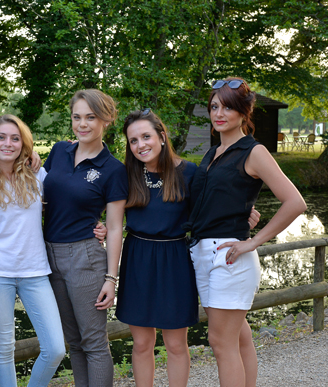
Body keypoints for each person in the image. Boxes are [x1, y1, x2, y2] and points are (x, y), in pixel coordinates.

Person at [185, 77, 307, 387]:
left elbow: (295, 202)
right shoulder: (212, 154)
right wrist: (241, 215)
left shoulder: (254, 152)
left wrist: (253, 241)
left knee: (220, 341)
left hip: (229, 258)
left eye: (228, 107)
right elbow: (211, 201)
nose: (219, 113)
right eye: (214, 107)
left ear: (244, 111)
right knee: (239, 338)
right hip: (203, 253)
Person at [0, 114, 65, 387]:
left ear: (24, 143)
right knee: (4, 349)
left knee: (55, 348)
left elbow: (68, 200)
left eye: (15, 138)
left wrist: (97, 223)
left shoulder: (36, 174)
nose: (8, 144)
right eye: (1, 137)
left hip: (35, 270)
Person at [43, 89, 128, 386]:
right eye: (77, 117)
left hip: (86, 258)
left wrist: (110, 278)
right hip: (49, 256)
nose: (82, 124)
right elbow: (34, 194)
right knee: (74, 342)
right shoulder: (58, 152)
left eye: (91, 117)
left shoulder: (114, 169)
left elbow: (115, 227)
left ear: (106, 119)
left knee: (93, 343)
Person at [115, 109, 199, 387]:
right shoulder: (126, 174)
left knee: (176, 344)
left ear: (162, 136)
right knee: (141, 343)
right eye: (133, 140)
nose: (140, 145)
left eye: (146, 136)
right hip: (137, 258)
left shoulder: (189, 173)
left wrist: (245, 213)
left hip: (175, 260)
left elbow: (212, 212)